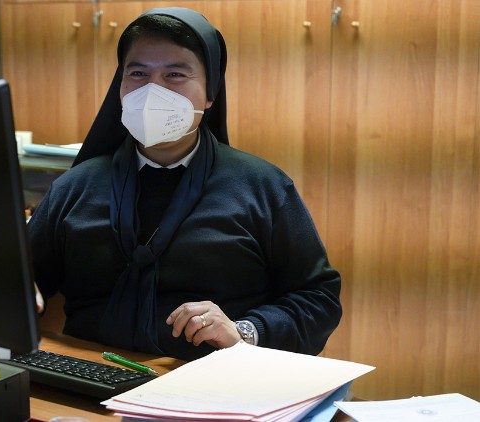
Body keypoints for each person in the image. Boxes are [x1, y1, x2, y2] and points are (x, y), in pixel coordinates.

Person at [27, 7, 342, 361]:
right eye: (137, 73)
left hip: (211, 385)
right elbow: (23, 276)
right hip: (89, 377)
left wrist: (245, 331)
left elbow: (318, 298)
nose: (152, 90)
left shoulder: (262, 188)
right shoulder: (74, 188)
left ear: (211, 94)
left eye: (175, 75)